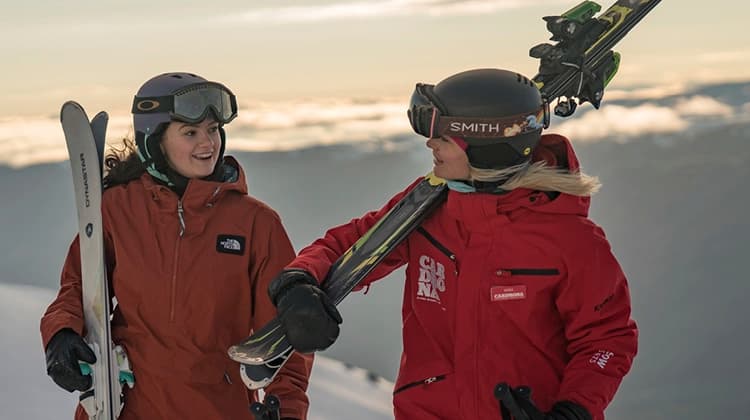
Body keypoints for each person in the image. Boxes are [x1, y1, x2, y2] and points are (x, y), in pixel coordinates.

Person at [266, 68, 638, 420]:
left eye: (443, 138)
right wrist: (298, 281)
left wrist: (574, 410)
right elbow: (349, 244)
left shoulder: (570, 240)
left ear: (484, 148)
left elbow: (606, 339)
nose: (430, 144)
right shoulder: (427, 204)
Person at [40, 72, 312, 419]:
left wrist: (286, 409)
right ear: (154, 141)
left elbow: (284, 336)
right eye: (190, 132)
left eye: (213, 130)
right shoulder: (117, 210)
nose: (207, 143)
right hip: (129, 408)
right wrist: (60, 333)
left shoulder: (257, 224)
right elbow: (78, 286)